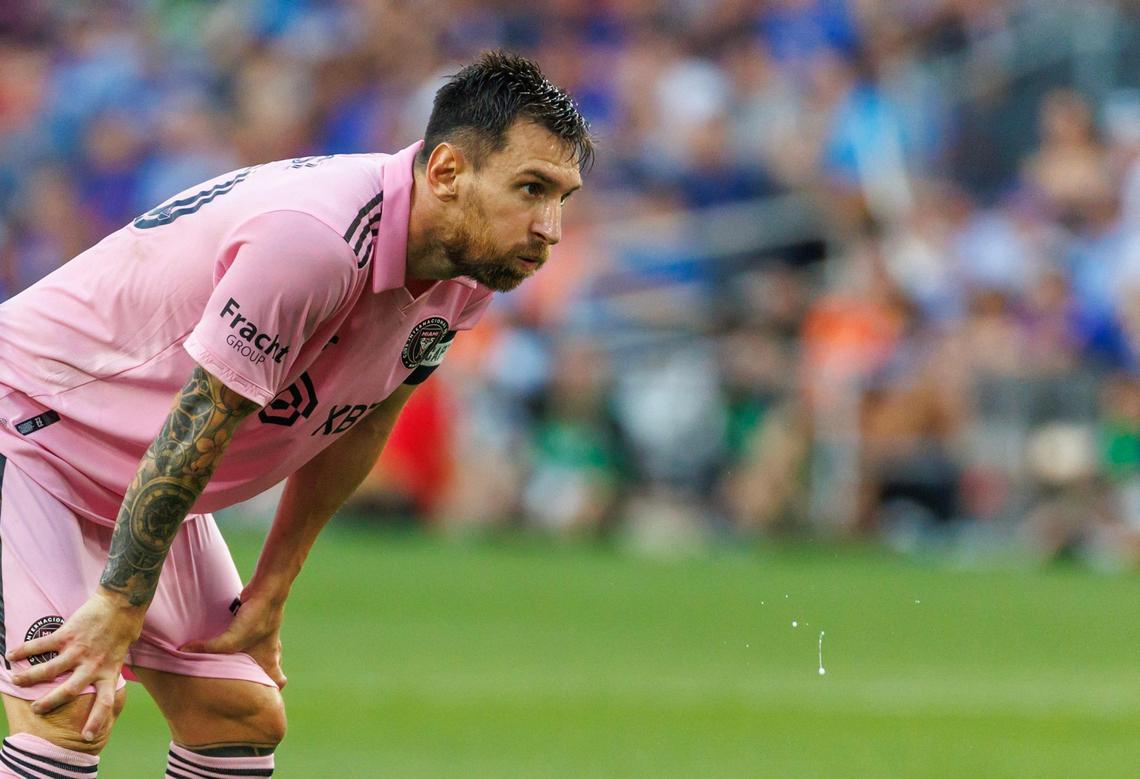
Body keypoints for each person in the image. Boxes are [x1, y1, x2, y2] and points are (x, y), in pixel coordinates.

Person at [0, 50, 591, 778]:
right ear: (445, 172)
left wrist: (273, 586)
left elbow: (365, 418)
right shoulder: (314, 240)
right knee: (68, 703)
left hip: (129, 476)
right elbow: (199, 419)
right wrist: (122, 602)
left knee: (239, 715)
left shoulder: (465, 266)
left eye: (563, 196)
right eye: (530, 189)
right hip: (26, 430)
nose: (550, 228)